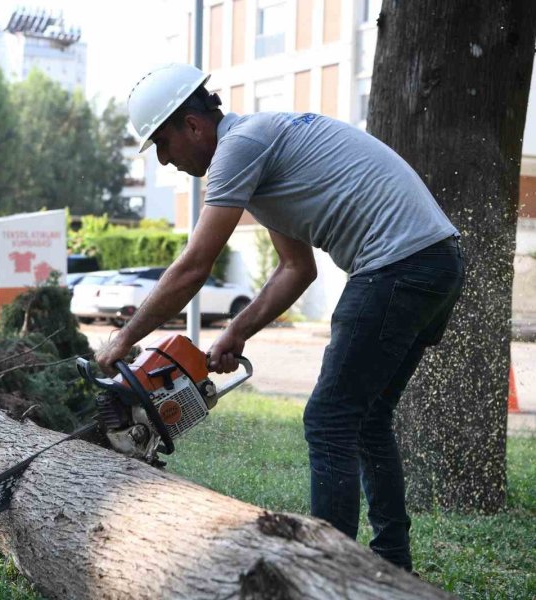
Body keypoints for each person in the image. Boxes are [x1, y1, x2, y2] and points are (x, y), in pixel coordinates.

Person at [94, 64, 465, 572]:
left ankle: (325, 574)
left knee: (329, 420)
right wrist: (236, 332)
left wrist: (122, 339)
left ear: (193, 126)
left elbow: (193, 267)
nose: (164, 160)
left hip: (396, 265)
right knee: (367, 418)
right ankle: (392, 565)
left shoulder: (238, 149)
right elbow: (296, 269)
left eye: (162, 143)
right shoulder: (262, 146)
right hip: (437, 260)